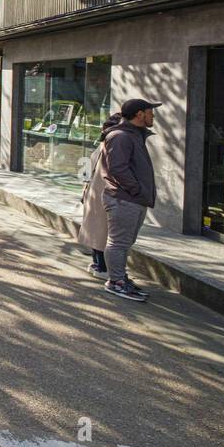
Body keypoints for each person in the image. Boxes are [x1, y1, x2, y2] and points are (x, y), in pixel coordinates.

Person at [99, 98, 162, 302]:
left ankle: (120, 277)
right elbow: (118, 168)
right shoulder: (120, 136)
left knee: (125, 242)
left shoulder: (134, 134)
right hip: (124, 198)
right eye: (150, 112)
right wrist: (136, 190)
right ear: (139, 114)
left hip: (133, 199)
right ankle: (115, 281)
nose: (153, 115)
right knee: (118, 242)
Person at [78, 115, 119, 278]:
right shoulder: (112, 146)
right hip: (103, 193)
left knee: (96, 230)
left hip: (94, 193)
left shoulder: (103, 145)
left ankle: (97, 263)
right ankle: (102, 267)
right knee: (102, 232)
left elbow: (86, 170)